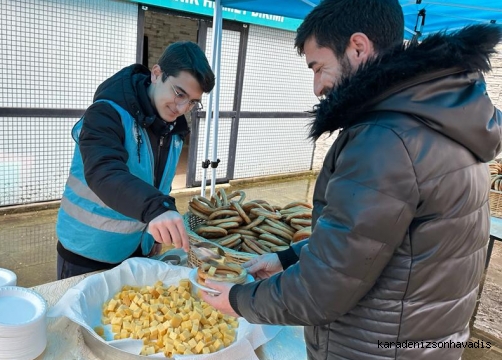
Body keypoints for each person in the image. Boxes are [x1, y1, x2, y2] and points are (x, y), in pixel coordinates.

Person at [200, 0, 502, 359]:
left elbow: (322, 290)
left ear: (357, 47)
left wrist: (237, 300)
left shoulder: (385, 140)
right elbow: (377, 240)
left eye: (318, 67)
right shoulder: (444, 119)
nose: (317, 87)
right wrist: (288, 258)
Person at [55, 41, 215, 279]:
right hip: (87, 253)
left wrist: (150, 238)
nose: (182, 107)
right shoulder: (106, 113)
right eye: (179, 93)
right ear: (157, 73)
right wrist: (156, 210)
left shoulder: (174, 129)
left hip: (138, 251)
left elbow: (157, 183)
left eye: (192, 102)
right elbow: (104, 172)